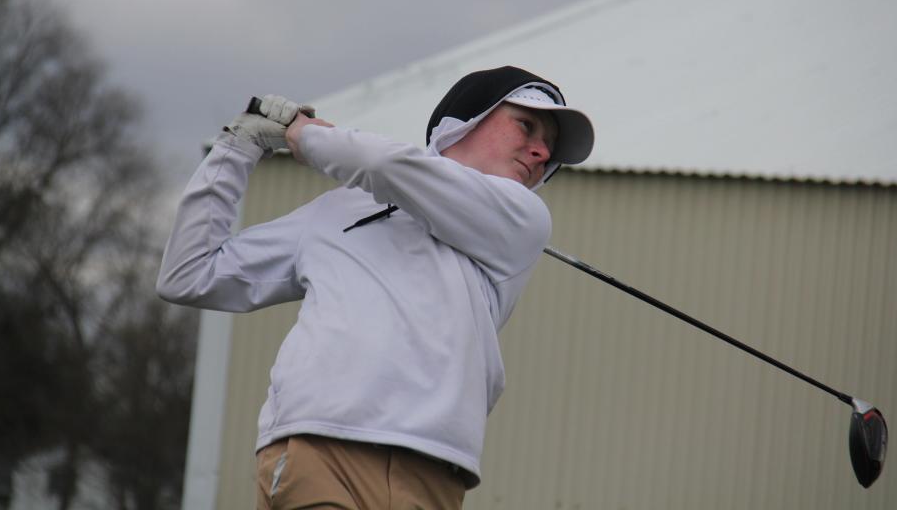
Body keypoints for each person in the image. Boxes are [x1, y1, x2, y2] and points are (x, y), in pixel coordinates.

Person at [156, 65, 594, 509]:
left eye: (550, 147)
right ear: (467, 119)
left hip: (430, 476)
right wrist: (238, 146)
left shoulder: (523, 218)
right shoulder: (337, 210)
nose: (541, 152)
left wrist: (305, 136)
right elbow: (189, 273)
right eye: (526, 125)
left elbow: (383, 164)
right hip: (318, 450)